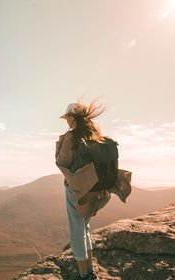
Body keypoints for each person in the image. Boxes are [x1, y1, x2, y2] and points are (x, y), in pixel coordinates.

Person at [55, 100, 107, 280]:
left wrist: (61, 142)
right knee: (85, 227)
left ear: (72, 116)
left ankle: (84, 275)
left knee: (77, 229)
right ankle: (91, 271)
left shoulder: (72, 137)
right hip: (94, 188)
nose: (66, 121)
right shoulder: (94, 134)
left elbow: (62, 162)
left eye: (67, 118)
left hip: (76, 189)